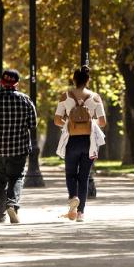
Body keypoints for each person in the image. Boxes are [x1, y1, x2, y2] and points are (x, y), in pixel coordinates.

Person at [0, 68, 37, 224]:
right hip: (19, 147)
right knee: (16, 177)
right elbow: (33, 124)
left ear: (1, 82)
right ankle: (12, 204)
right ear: (17, 83)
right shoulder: (25, 100)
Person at [55, 67, 106, 222]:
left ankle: (73, 197)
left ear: (74, 80)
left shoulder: (65, 97)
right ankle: (80, 213)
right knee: (83, 177)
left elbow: (57, 120)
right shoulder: (95, 97)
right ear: (88, 80)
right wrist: (90, 123)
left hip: (72, 141)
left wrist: (68, 124)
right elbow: (102, 122)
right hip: (89, 142)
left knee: (70, 174)